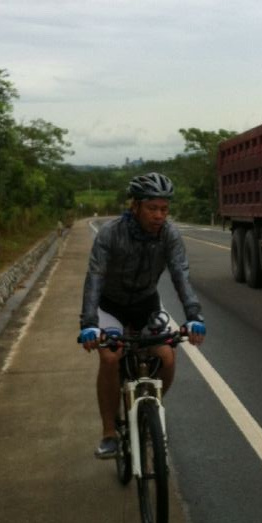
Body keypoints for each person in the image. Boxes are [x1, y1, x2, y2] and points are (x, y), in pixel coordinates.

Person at [78, 172, 206, 459]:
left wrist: (194, 316)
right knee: (110, 357)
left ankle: (150, 406)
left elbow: (181, 275)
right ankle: (109, 433)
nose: (159, 215)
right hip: (110, 306)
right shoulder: (111, 234)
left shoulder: (169, 235)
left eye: (164, 209)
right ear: (135, 206)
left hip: (146, 305)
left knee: (167, 356)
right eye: (152, 208)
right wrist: (89, 324)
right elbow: (95, 277)